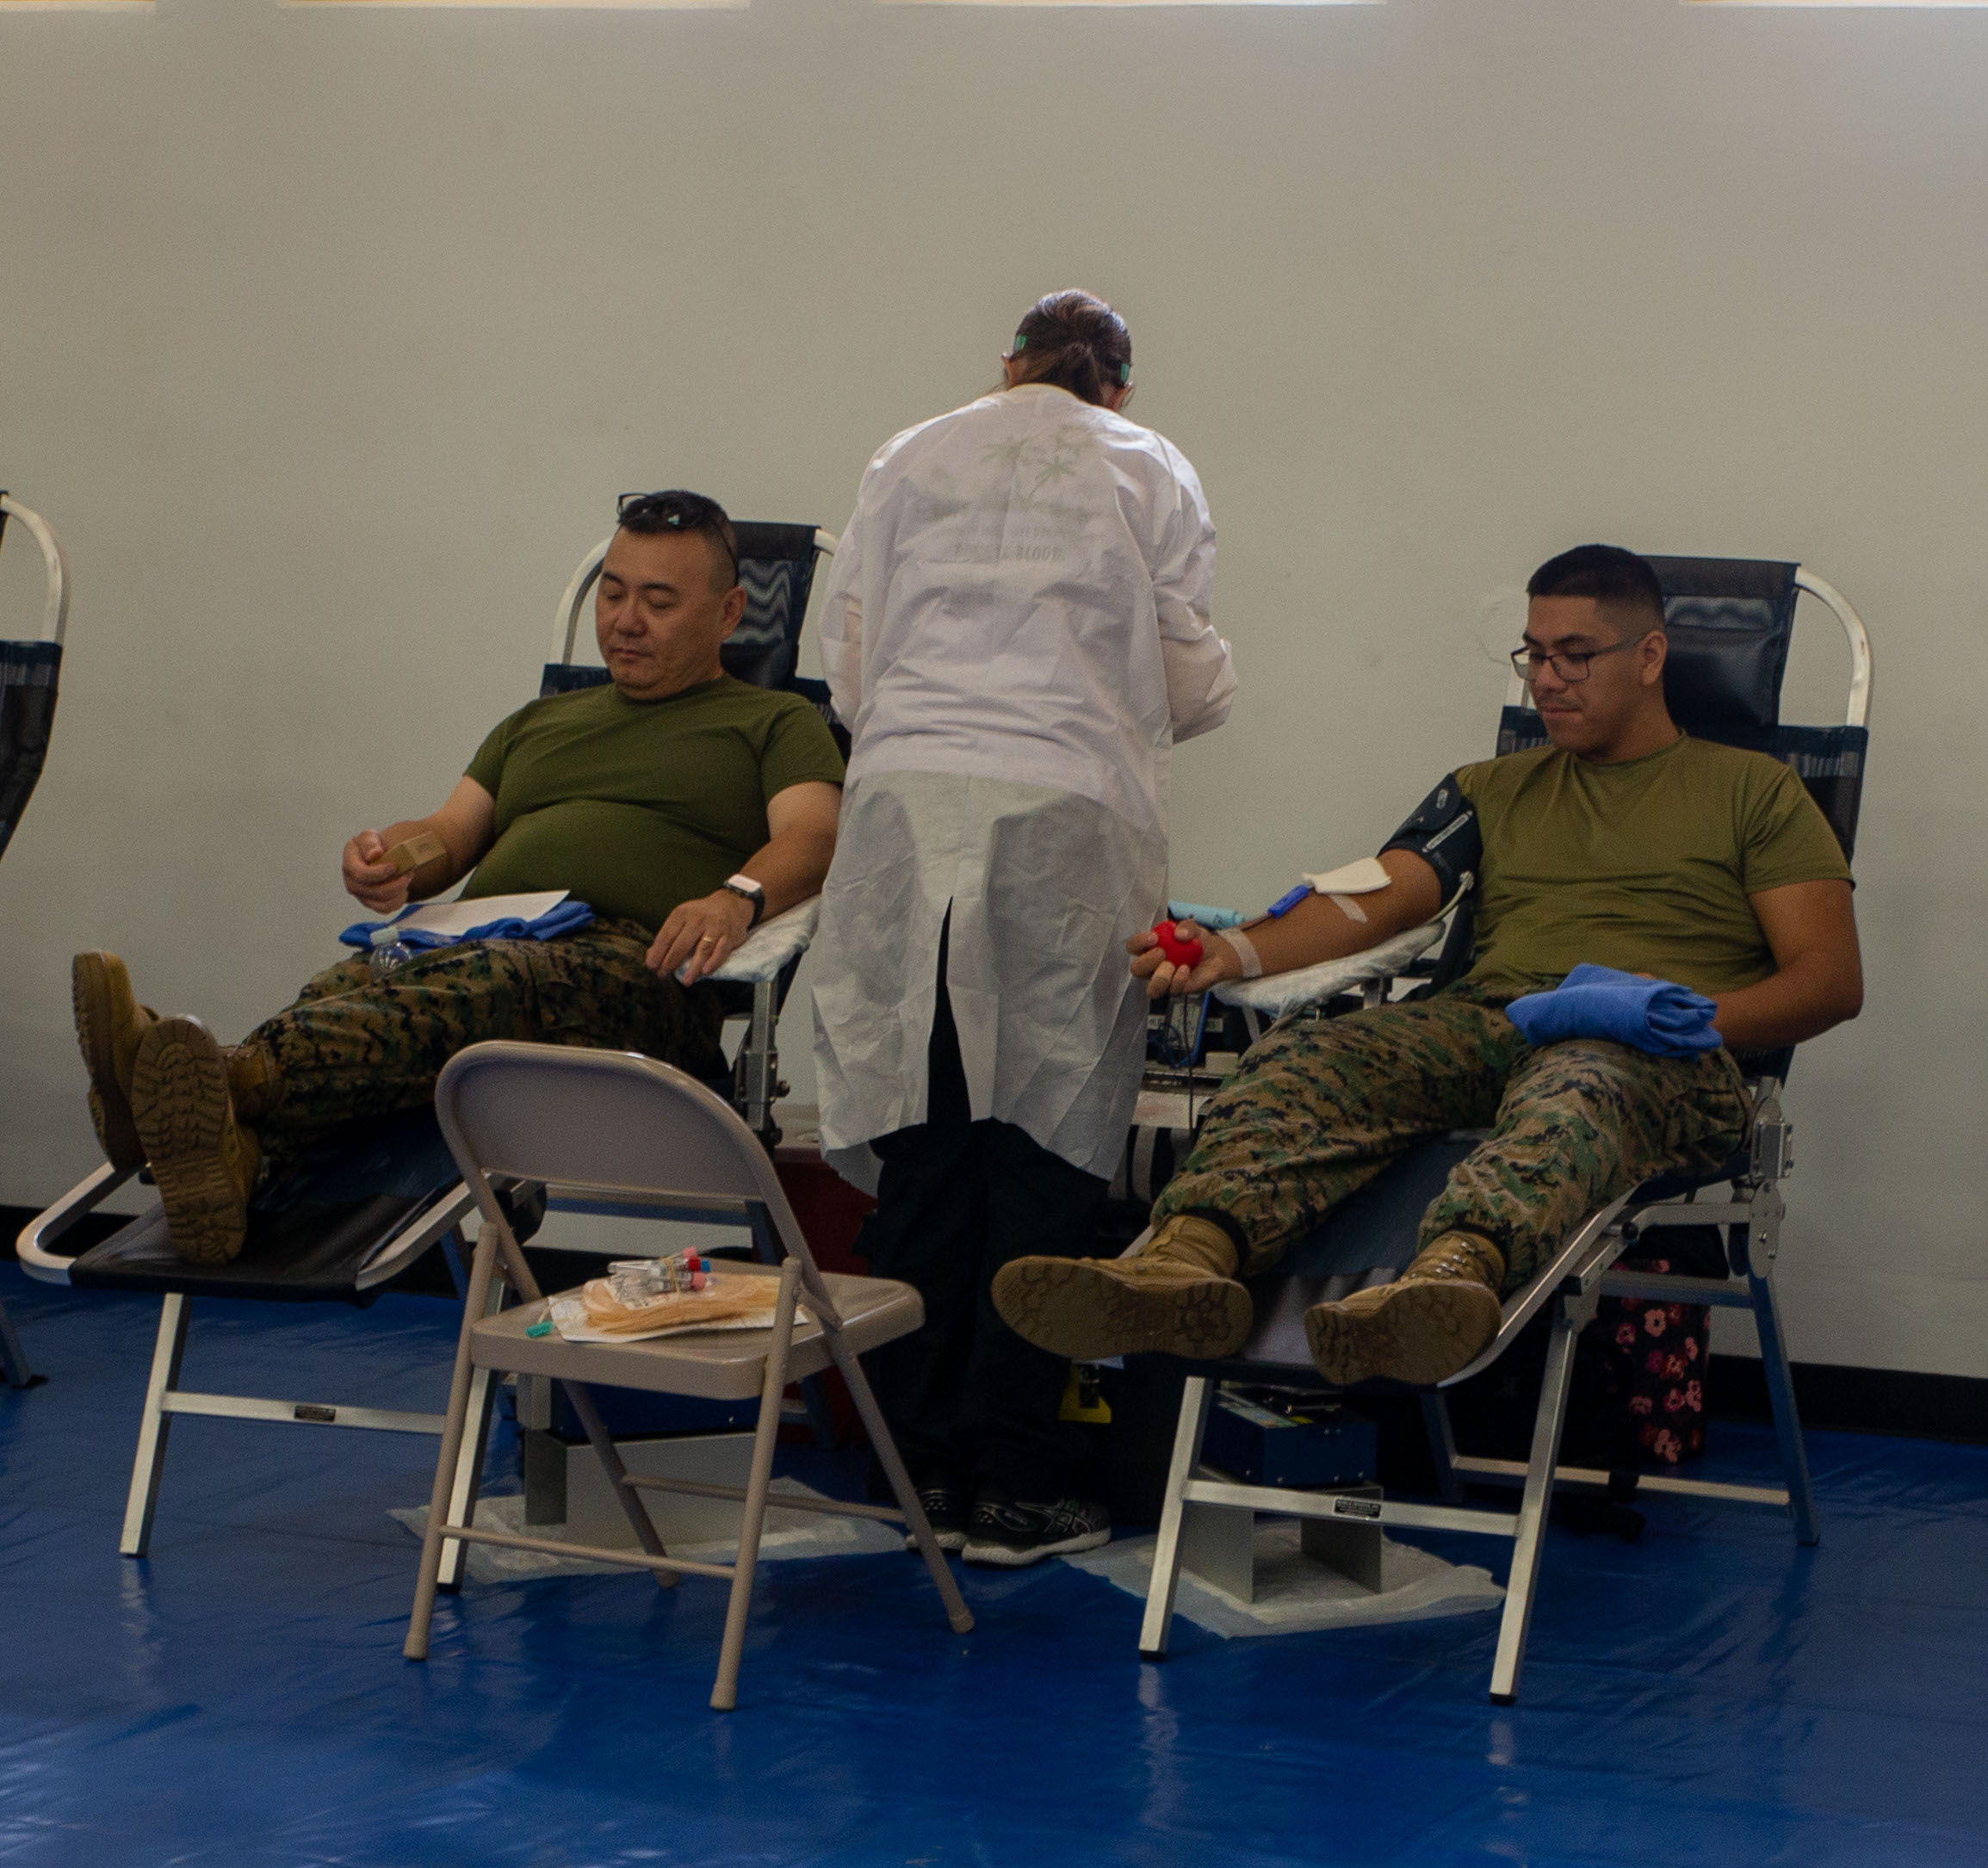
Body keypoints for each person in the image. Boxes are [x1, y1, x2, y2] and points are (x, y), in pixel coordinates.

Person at [989, 543, 1862, 1390]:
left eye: (1574, 656)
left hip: (1657, 1050)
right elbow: (1384, 893)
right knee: (1313, 1055)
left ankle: (1449, 1278)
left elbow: (1828, 980)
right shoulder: (1493, 787)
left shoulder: (1757, 792)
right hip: (1495, 1023)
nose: (1546, 679)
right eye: (1534, 654)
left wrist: (1681, 1017)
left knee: (1582, 1078)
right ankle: (1183, 1267)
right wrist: (1235, 949)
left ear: (1650, 656)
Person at [70, 491, 841, 1265]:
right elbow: (445, 835)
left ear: (731, 611)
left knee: (492, 984)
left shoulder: (772, 723)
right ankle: (237, 1169)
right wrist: (390, 858)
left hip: (634, 974)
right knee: (348, 984)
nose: (625, 620)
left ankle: (208, 1078)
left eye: (658, 601)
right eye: (612, 592)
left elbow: (815, 834)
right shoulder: (535, 724)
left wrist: (735, 898)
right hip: (477, 948)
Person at [805, 288, 1238, 1570]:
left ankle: (914, 1466)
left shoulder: (909, 450)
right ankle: (1018, 1478)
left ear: (1005, 369)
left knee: (929, 1145)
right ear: (1120, 385)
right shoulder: (1149, 465)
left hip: (902, 810)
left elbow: (849, 667)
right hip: (1063, 816)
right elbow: (1187, 671)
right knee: (1043, 1151)